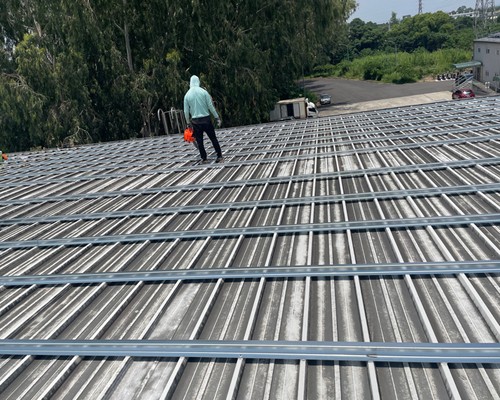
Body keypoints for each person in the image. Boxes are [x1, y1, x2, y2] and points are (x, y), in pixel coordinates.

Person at [183, 75, 223, 163]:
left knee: (200, 142)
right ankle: (219, 156)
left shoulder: (187, 95)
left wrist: (188, 122)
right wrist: (217, 117)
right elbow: (210, 106)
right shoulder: (204, 92)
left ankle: (204, 158)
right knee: (213, 138)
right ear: (198, 82)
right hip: (206, 120)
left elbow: (186, 111)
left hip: (196, 122)